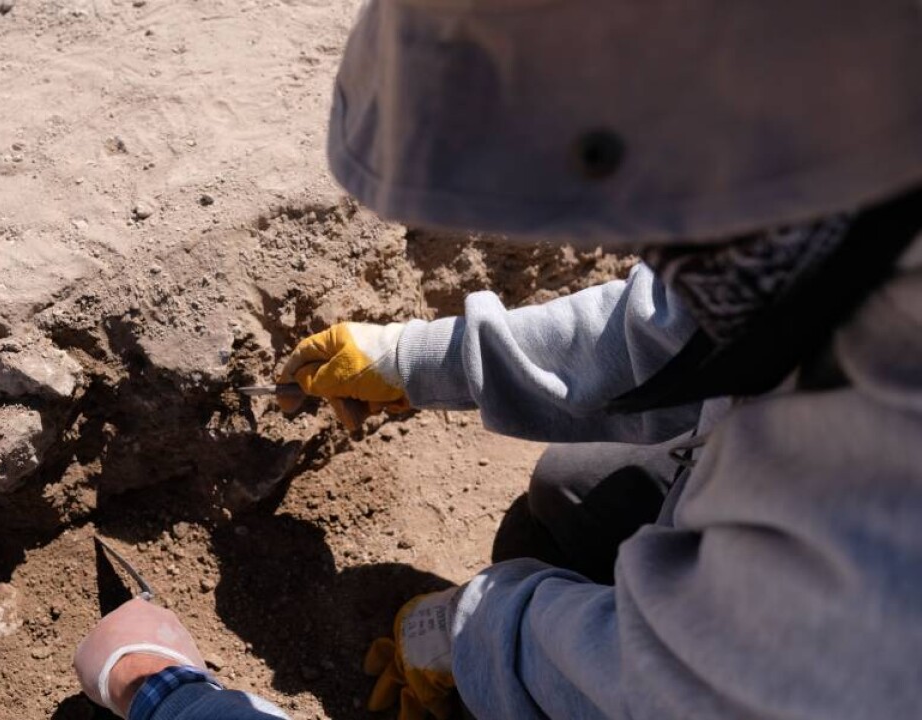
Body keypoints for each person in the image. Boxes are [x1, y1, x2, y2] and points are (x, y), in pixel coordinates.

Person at [73, 0, 922, 718]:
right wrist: (414, 358)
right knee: (576, 487)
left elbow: (669, 685)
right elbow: (686, 331)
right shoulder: (856, 179)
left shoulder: (868, 568)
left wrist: (480, 638)